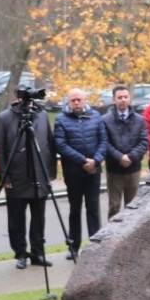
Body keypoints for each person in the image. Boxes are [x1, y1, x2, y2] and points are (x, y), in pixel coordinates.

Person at [0, 91, 57, 269]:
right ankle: (20, 253)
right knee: (16, 219)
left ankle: (37, 252)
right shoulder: (4, 118)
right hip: (16, 176)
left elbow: (49, 144)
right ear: (17, 99)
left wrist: (50, 171)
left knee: (39, 218)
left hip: (39, 174)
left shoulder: (42, 115)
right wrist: (4, 175)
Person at [53, 88, 106, 261]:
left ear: (85, 100)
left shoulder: (96, 117)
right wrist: (83, 161)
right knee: (74, 209)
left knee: (93, 208)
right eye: (73, 100)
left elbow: (103, 141)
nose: (76, 103)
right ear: (68, 102)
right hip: (74, 172)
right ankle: (73, 245)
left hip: (93, 172)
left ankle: (95, 246)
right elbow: (61, 145)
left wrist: (95, 161)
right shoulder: (61, 119)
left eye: (79, 100)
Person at [102, 84, 148, 219]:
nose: (123, 100)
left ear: (130, 99)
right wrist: (119, 157)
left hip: (133, 170)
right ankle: (111, 238)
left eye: (125, 97)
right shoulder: (105, 120)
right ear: (114, 99)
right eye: (120, 97)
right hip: (114, 170)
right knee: (114, 207)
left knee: (133, 207)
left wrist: (131, 157)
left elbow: (144, 142)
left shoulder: (140, 120)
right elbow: (104, 142)